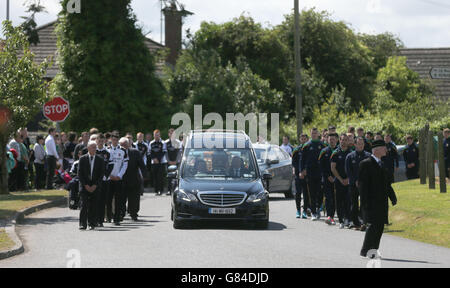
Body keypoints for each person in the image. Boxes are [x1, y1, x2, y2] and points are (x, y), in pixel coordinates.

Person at [359, 140, 397, 258]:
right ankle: (365, 250)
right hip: (371, 202)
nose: (386, 150)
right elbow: (362, 185)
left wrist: (392, 196)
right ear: (376, 150)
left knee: (380, 226)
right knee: (373, 226)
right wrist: (364, 203)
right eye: (383, 148)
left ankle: (374, 250)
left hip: (382, 202)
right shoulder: (366, 163)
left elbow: (387, 183)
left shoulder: (381, 163)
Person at [345, 137, 371, 230]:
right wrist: (355, 180)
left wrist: (362, 180)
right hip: (353, 184)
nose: (360, 146)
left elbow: (369, 171)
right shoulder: (350, 156)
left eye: (362, 144)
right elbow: (348, 171)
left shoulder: (368, 156)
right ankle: (354, 222)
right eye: (359, 144)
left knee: (365, 203)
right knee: (354, 204)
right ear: (355, 144)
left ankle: (364, 222)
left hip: (364, 184)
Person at [78, 141, 105, 230]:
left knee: (94, 205)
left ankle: (92, 223)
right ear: (88, 148)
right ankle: (82, 223)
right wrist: (85, 185)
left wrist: (95, 185)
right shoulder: (82, 159)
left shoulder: (100, 159)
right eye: (93, 147)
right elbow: (80, 174)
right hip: (84, 185)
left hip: (95, 186)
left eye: (95, 147)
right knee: (84, 204)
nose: (94, 149)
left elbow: (101, 174)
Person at [300, 128, 326, 221]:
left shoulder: (322, 145)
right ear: (310, 134)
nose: (314, 134)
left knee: (320, 192)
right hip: (310, 173)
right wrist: (301, 170)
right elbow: (302, 160)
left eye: (315, 133)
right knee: (312, 193)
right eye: (312, 133)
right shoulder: (307, 145)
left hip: (320, 172)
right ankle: (313, 212)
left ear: (318, 134)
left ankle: (319, 208)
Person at [122, 137, 147, 221]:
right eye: (122, 144)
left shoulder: (135, 152)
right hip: (122, 179)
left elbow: (141, 164)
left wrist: (145, 175)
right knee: (122, 198)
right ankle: (121, 213)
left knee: (134, 198)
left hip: (134, 178)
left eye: (125, 144)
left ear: (129, 144)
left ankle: (133, 213)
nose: (124, 146)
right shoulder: (118, 152)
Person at [331, 134, 352, 229]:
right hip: (338, 181)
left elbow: (353, 168)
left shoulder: (351, 153)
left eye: (345, 140)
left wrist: (348, 179)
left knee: (348, 200)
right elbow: (333, 168)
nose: (343, 142)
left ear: (348, 141)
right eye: (342, 140)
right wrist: (340, 179)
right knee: (339, 201)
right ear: (339, 140)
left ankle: (347, 218)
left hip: (349, 181)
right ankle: (340, 220)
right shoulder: (335, 153)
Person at [107, 135, 128, 225]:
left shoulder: (123, 151)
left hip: (118, 179)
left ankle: (117, 218)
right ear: (111, 140)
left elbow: (125, 164)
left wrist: (119, 175)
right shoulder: (107, 150)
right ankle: (109, 217)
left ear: (118, 141)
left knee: (118, 199)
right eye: (113, 139)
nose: (114, 141)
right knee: (108, 199)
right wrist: (109, 175)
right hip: (109, 179)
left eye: (116, 140)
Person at [319, 133, 338, 225]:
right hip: (327, 179)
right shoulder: (324, 151)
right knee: (329, 197)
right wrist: (328, 176)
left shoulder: (339, 150)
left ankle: (335, 215)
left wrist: (335, 176)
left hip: (337, 179)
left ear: (336, 140)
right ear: (327, 140)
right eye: (330, 139)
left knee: (335, 198)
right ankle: (329, 216)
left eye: (333, 139)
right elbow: (321, 166)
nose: (332, 141)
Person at [96, 134, 110, 227]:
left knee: (102, 201)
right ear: (96, 141)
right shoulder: (93, 150)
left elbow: (110, 165)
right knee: (94, 200)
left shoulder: (107, 152)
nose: (100, 142)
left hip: (104, 179)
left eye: (102, 141)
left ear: (104, 141)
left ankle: (100, 220)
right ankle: (94, 219)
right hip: (94, 179)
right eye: (99, 141)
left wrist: (106, 175)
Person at [293, 134, 309, 219]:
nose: (303, 140)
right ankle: (298, 210)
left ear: (307, 139)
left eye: (304, 139)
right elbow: (294, 162)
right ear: (300, 139)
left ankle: (305, 211)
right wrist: (299, 172)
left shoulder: (309, 149)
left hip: (307, 175)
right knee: (298, 193)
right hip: (298, 175)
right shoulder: (296, 149)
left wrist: (305, 171)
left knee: (306, 194)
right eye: (302, 139)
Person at [150, 129, 167, 196]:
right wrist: (154, 159)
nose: (156, 136)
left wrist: (158, 159)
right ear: (153, 135)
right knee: (155, 177)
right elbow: (149, 152)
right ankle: (156, 190)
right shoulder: (151, 143)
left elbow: (164, 151)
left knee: (160, 177)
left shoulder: (163, 142)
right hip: (154, 162)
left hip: (161, 162)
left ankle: (161, 190)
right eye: (155, 135)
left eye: (157, 135)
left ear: (159, 135)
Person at [165, 128, 182, 195]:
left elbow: (179, 152)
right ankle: (169, 190)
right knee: (169, 176)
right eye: (170, 133)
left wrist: (176, 161)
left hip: (176, 162)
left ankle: (176, 190)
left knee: (176, 176)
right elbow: (165, 153)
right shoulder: (166, 142)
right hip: (168, 162)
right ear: (169, 134)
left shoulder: (178, 142)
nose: (172, 135)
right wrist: (169, 161)